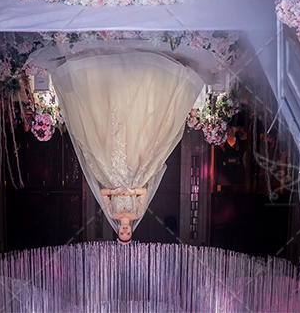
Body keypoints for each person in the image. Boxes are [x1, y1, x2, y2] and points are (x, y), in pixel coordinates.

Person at [50, 49, 204, 241]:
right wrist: (131, 191)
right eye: (128, 233)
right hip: (133, 173)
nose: (124, 231)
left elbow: (102, 192)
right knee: (139, 133)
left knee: (110, 132)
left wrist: (115, 191)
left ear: (118, 232)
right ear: (131, 231)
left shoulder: (112, 214)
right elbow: (144, 192)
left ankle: (108, 88)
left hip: (113, 173)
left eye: (122, 233)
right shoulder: (137, 214)